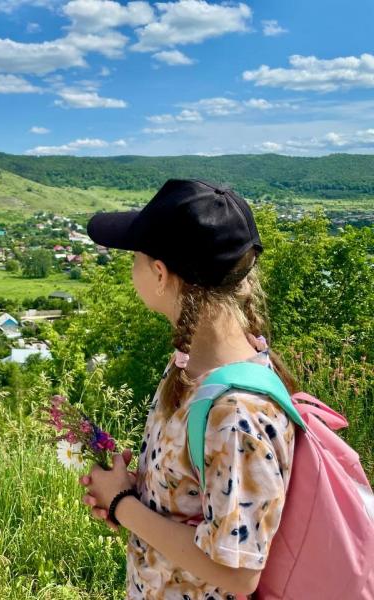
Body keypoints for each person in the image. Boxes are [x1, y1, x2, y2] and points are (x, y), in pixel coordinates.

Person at [81, 179, 296, 599]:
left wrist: (123, 505)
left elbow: (237, 572)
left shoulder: (238, 414)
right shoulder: (190, 364)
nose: (132, 270)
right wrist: (143, 493)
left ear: (160, 274)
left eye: (136, 258)